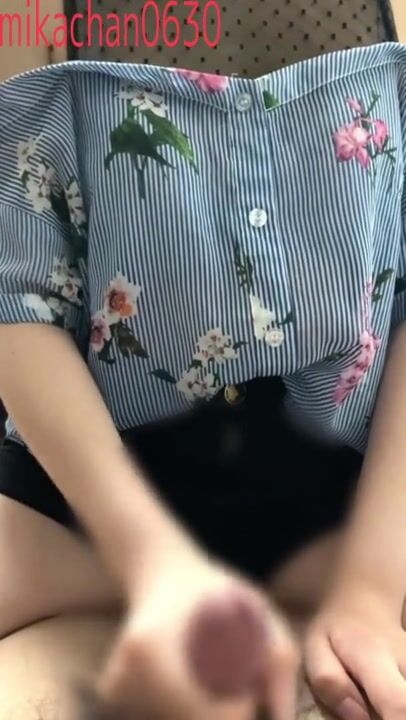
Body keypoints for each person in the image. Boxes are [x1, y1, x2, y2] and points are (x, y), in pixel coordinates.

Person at [0, 23, 405, 720]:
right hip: (84, 486)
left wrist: (371, 585)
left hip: (350, 487)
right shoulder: (35, 19)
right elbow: (17, 301)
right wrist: (151, 563)